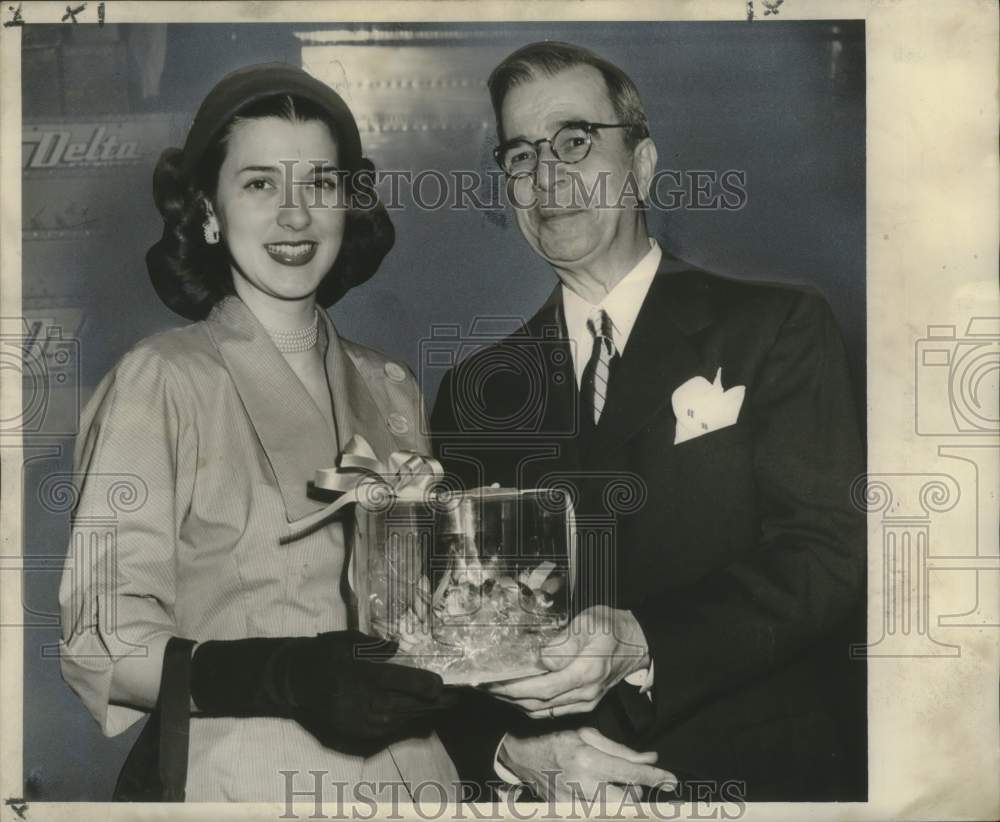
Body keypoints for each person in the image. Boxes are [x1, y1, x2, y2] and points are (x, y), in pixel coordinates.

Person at [431, 41, 866, 802]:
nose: (548, 177)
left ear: (642, 163)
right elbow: (450, 636)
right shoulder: (476, 393)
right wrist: (508, 752)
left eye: (574, 141)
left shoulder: (776, 328)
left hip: (759, 783)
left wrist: (642, 642)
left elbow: (829, 558)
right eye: (522, 156)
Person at [58, 63, 459, 803]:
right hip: (242, 783)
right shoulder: (158, 382)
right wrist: (286, 676)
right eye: (260, 184)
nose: (296, 215)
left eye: (320, 183)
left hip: (415, 782)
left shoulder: (394, 387)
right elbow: (102, 643)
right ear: (209, 212)